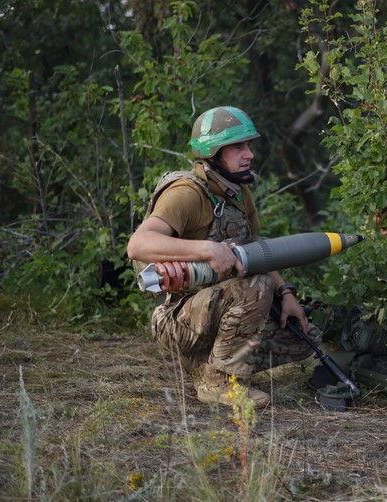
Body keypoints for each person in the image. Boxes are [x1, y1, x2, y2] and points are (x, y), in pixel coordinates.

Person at [127, 106, 322, 409]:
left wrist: (285, 293)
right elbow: (138, 244)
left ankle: (208, 362)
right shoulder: (186, 193)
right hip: (178, 319)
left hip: (217, 306)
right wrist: (207, 250)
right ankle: (218, 380)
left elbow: (254, 246)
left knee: (303, 336)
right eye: (238, 147)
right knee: (253, 284)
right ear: (214, 153)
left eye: (249, 146)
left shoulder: (238, 191)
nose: (249, 155)